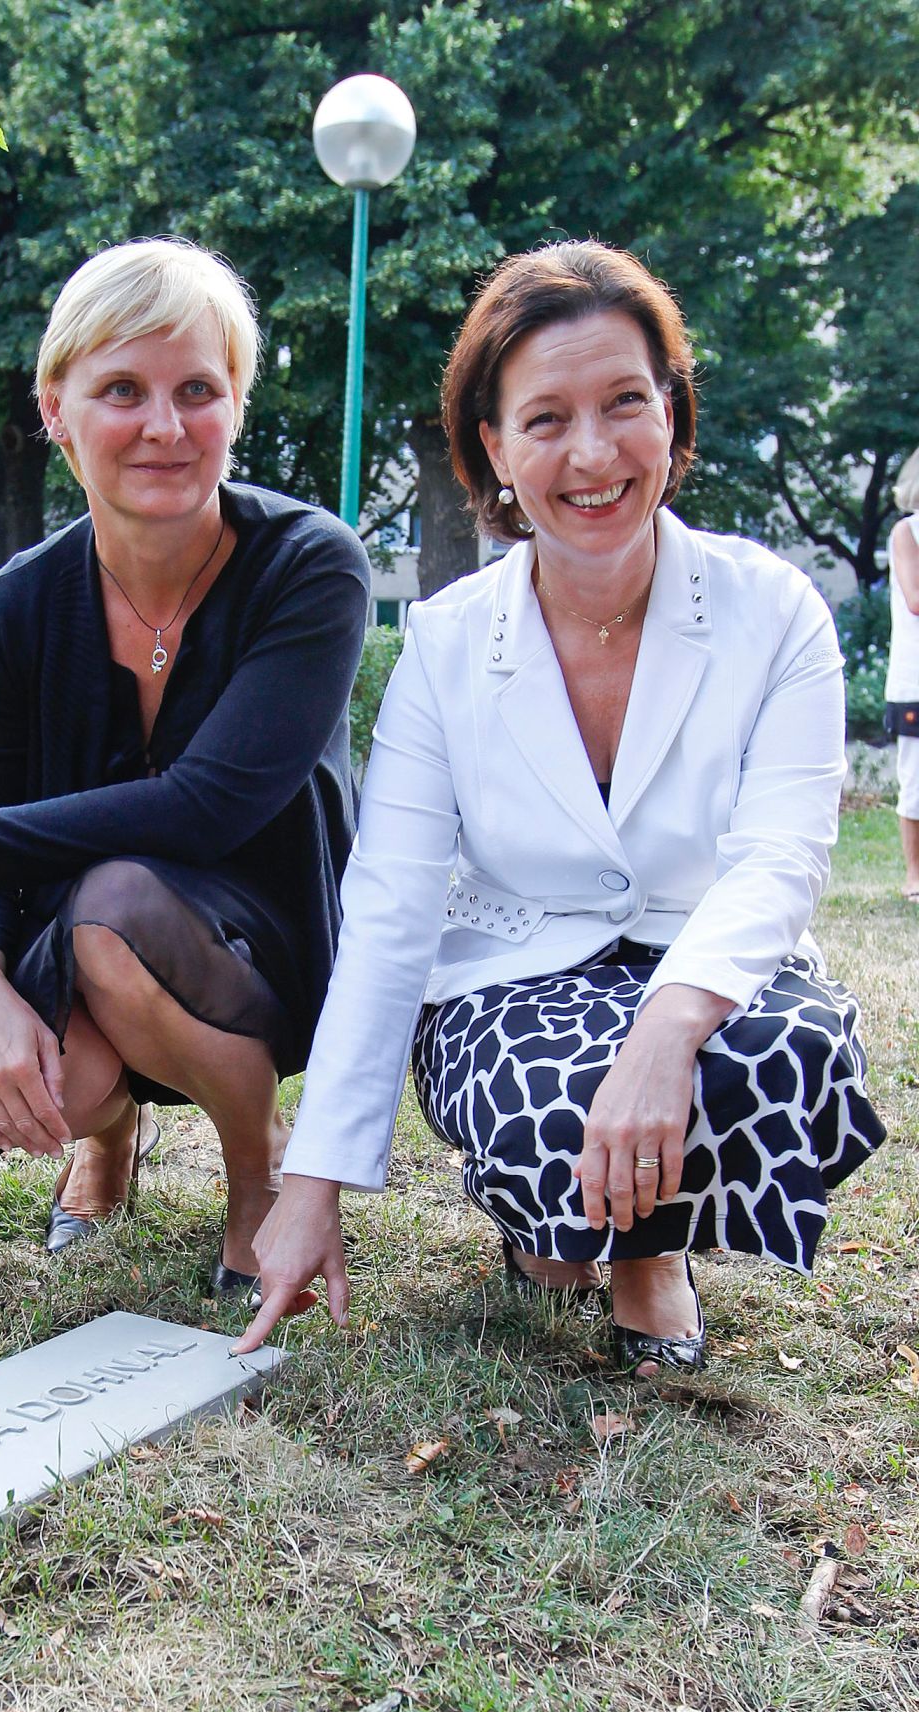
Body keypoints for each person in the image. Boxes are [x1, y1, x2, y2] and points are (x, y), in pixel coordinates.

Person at [237, 240, 885, 1371]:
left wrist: (667, 1026)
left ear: (672, 416)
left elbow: (781, 854)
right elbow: (388, 905)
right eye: (544, 419)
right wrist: (310, 1185)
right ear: (492, 447)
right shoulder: (442, 644)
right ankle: (555, 1224)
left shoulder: (773, 609)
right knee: (548, 1113)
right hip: (515, 974)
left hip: (705, 954)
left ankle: (645, 1255)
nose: (591, 453)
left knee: (789, 1053)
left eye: (624, 402)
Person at [0, 238, 370, 1294]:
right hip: (87, 936)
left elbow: (207, 807)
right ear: (54, 407)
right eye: (121, 388)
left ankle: (255, 1169)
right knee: (47, 1079)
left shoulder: (309, 566)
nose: (163, 426)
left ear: (236, 405)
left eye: (197, 389)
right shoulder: (16, 606)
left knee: (109, 902)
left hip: (272, 941)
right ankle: (108, 1132)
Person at [884, 447, 919, 901]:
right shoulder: (907, 532)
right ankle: (916, 877)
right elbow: (915, 597)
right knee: (916, 782)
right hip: (915, 681)